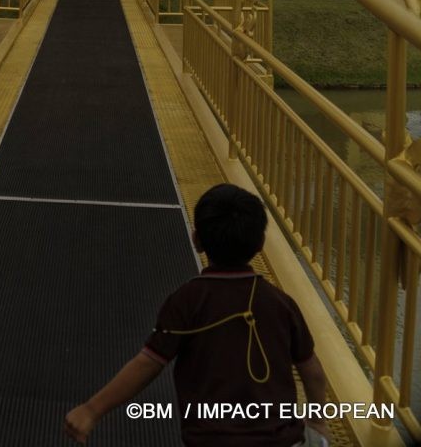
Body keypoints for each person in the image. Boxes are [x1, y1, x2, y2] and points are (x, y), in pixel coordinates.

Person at [64, 183, 329, 446]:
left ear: (197, 240)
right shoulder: (280, 303)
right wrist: (317, 420)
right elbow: (312, 372)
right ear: (260, 243)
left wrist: (91, 410)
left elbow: (148, 363)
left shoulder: (187, 301)